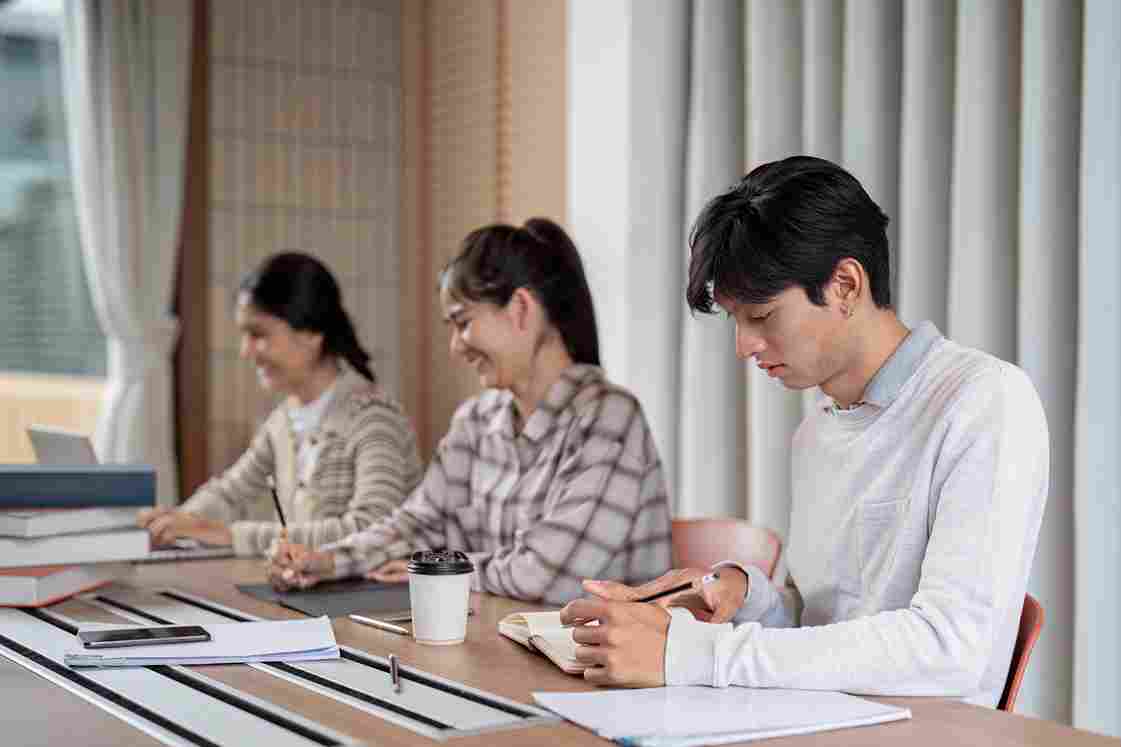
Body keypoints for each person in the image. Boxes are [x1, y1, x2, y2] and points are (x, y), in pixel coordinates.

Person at [561, 156, 1049, 707]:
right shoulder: (818, 431)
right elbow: (822, 624)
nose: (743, 346)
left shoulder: (984, 400)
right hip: (815, 722)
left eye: (762, 316)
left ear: (845, 285)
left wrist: (695, 656)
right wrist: (745, 595)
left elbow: (950, 648)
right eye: (735, 322)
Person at [266, 218, 672, 605]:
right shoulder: (477, 420)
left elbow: (546, 577)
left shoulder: (609, 419)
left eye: (463, 323)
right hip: (498, 645)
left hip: (593, 666)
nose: (456, 346)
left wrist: (438, 570)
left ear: (521, 309)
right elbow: (420, 525)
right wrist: (330, 561)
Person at [138, 252, 423, 557]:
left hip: (374, 601)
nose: (246, 351)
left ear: (311, 333)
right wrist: (173, 524)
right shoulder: (283, 422)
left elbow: (373, 528)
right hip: (313, 595)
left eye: (258, 334)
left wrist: (227, 535)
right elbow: (230, 493)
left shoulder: (373, 418)